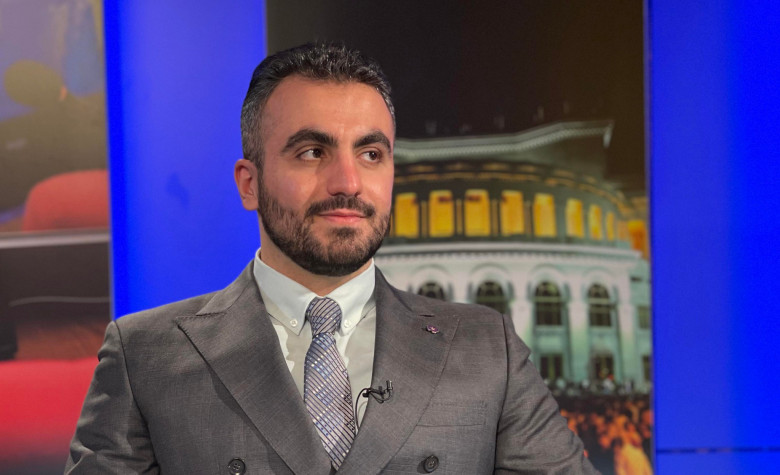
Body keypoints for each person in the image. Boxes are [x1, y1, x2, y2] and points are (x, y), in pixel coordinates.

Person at [66, 43, 597, 475]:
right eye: (312, 152)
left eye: (371, 154)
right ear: (249, 183)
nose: (348, 183)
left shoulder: (487, 348)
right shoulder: (145, 356)